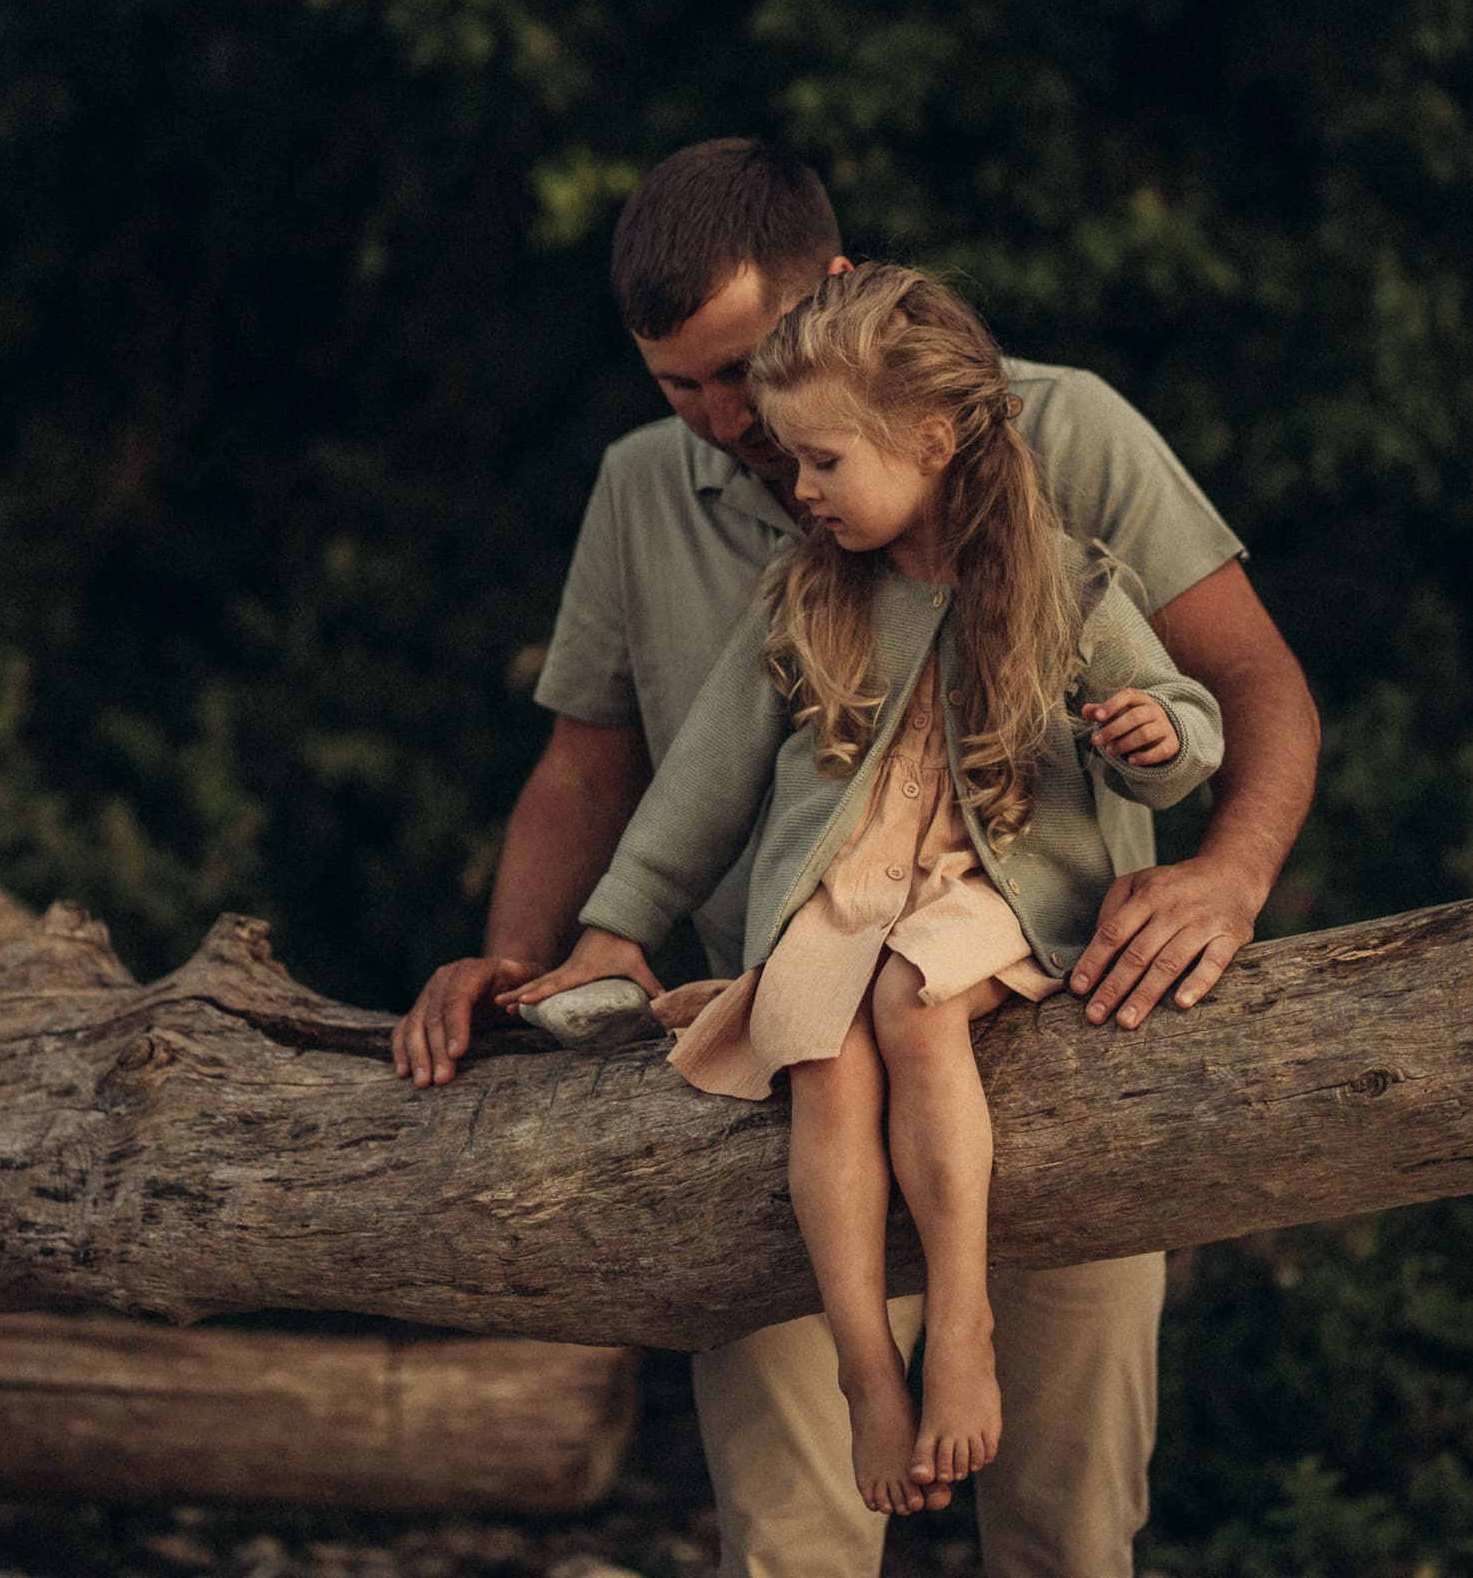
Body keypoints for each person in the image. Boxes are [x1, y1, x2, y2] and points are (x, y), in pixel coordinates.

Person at [393, 138, 1319, 1578]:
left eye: (740, 369)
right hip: (787, 1071)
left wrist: (1226, 875)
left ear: (835, 296)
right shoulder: (649, 493)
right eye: (674, 385)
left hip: (1065, 1049)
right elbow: (595, 765)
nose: (717, 419)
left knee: (1070, 1539)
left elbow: (1249, 690)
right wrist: (531, 955)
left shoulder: (1062, 436)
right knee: (792, 1546)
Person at [505, 265, 1226, 1520]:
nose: (801, 490)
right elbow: (701, 786)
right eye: (792, 464)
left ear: (934, 440)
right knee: (819, 1043)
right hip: (846, 890)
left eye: (824, 462)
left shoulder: (1061, 578)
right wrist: (612, 929)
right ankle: (864, 1366)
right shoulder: (806, 593)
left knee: (908, 1000)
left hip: (993, 886)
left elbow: (1184, 719)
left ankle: (958, 1326)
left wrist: (1153, 743)